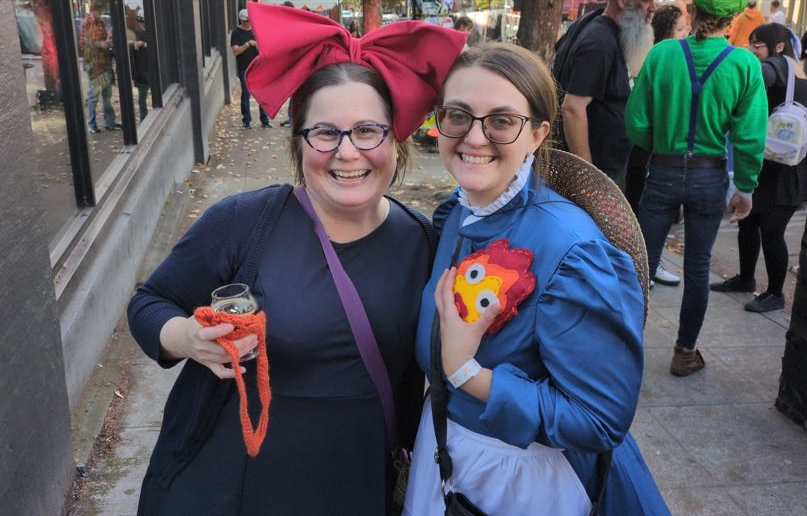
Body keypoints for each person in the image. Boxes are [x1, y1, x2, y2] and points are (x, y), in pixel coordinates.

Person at [128, 5, 466, 515]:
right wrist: (186, 338)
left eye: (367, 130)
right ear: (299, 141)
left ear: (395, 138)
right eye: (325, 132)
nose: (347, 152)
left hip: (359, 482)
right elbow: (150, 303)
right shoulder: (243, 223)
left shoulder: (422, 241)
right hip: (236, 483)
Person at [403, 43, 670, 516]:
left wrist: (468, 373)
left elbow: (599, 420)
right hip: (443, 452)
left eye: (502, 121)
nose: (474, 137)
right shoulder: (458, 214)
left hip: (521, 484)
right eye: (458, 115)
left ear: (537, 134)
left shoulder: (573, 249)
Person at [626, 0, 768, 376]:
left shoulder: (662, 54)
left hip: (663, 171)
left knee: (641, 265)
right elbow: (750, 137)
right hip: (710, 177)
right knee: (698, 268)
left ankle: (622, 352)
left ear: (692, 13)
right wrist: (745, 187)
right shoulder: (744, 64)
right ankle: (684, 353)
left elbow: (636, 123)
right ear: (733, 20)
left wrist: (663, 142)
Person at [710, 23, 807, 312]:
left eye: (757, 44)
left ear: (779, 46)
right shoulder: (794, 70)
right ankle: (745, 278)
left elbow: (762, 74)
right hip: (776, 164)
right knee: (748, 221)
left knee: (772, 231)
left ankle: (775, 294)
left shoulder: (778, 65)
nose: (751, 49)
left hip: (786, 172)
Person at [553, 0, 656, 189]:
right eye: (646, 1)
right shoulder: (599, 42)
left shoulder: (594, 26)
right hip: (596, 173)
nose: (652, 8)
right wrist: (589, 177)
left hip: (604, 168)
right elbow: (572, 108)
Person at [625, 3, 689, 288]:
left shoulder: (675, 57)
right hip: (647, 148)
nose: (685, 34)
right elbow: (638, 114)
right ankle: (644, 264)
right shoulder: (655, 57)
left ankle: (649, 262)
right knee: (642, 205)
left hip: (656, 147)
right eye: (680, 29)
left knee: (652, 211)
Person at [81, 2, 120, 133]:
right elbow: (84, 43)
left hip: (104, 63)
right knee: (94, 95)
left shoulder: (101, 22)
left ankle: (110, 122)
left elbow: (100, 40)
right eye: (100, 10)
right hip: (95, 65)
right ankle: (92, 124)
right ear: (94, 10)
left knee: (107, 95)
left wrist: (107, 41)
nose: (101, 13)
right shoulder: (87, 23)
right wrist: (100, 44)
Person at [231, 8, 271, 129]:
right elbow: (235, 51)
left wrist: (259, 46)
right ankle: (246, 121)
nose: (248, 23)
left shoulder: (256, 30)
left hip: (258, 67)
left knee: (261, 94)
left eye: (250, 21)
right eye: (246, 21)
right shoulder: (236, 33)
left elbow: (265, 46)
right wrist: (248, 44)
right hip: (244, 68)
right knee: (246, 94)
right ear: (242, 20)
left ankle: (265, 120)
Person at [129, 13, 149, 123]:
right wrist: (133, 45)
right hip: (141, 70)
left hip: (150, 69)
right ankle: (143, 117)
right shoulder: (137, 33)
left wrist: (144, 44)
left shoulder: (152, 32)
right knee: (142, 96)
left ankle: (144, 117)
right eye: (139, 22)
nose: (141, 24)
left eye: (142, 22)